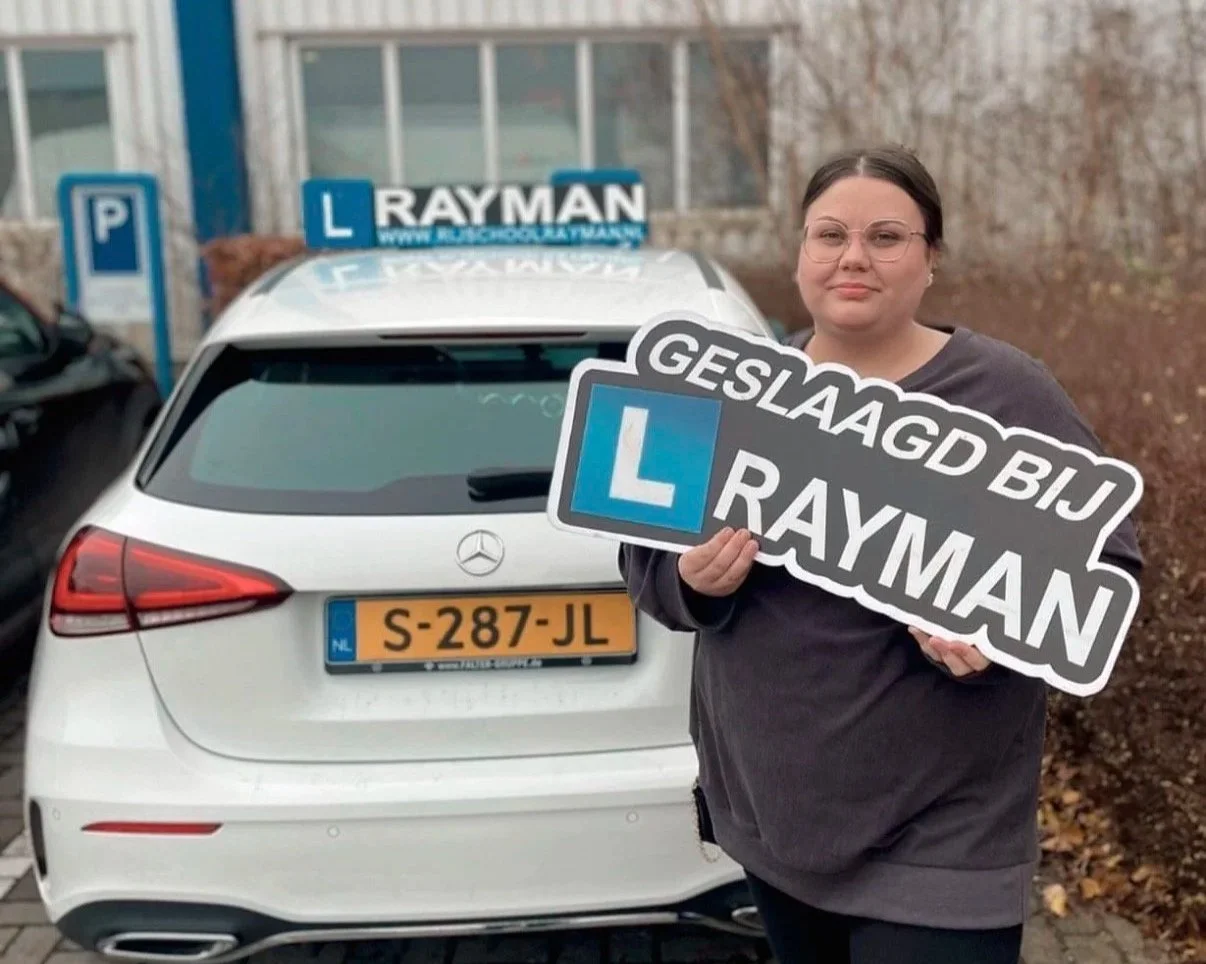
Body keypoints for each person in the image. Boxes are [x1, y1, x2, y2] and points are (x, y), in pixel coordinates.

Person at [618, 145, 1143, 964]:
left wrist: (1000, 640)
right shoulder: (732, 392)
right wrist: (690, 580)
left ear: (931, 259)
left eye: (887, 237)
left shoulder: (1008, 395)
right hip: (774, 824)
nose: (853, 257)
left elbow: (1104, 570)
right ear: (800, 255)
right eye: (829, 234)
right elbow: (644, 562)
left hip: (944, 838)